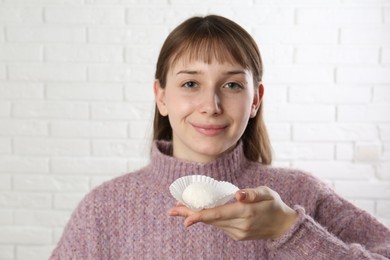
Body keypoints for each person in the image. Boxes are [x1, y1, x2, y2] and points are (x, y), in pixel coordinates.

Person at [50, 15, 390, 259]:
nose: (210, 106)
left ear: (255, 99)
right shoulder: (105, 208)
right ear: (161, 96)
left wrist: (288, 230)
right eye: (190, 84)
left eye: (231, 85)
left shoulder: (301, 195)